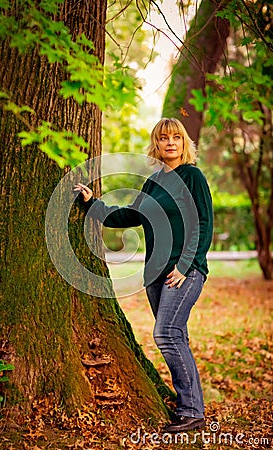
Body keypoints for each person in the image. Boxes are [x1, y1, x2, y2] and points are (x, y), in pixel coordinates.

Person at [75, 118, 213, 433]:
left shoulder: (193, 177)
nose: (170, 143)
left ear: (184, 142)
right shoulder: (152, 182)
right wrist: (92, 204)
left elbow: (204, 223)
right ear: (157, 143)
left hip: (183, 271)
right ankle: (189, 405)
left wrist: (186, 265)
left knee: (165, 334)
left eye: (176, 137)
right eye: (164, 138)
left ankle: (192, 410)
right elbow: (130, 215)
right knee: (176, 336)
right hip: (155, 274)